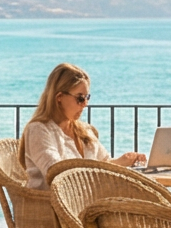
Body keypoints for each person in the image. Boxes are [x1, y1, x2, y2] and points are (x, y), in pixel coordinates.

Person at [18, 62, 146, 184]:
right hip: (52, 204)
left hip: (88, 201)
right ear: (59, 98)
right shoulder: (39, 130)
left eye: (87, 97)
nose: (85, 104)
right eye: (80, 98)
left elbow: (103, 162)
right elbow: (56, 172)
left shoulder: (84, 130)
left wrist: (123, 161)